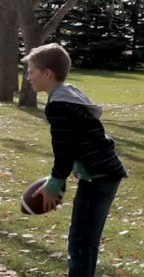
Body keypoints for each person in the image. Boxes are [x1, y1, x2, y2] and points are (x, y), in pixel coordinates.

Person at [24, 43, 128, 276]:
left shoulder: (59, 104)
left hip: (99, 177)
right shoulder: (67, 94)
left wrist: (54, 184)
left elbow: (64, 150)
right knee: (85, 241)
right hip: (103, 173)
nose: (28, 77)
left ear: (48, 73)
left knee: (80, 241)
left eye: (31, 71)